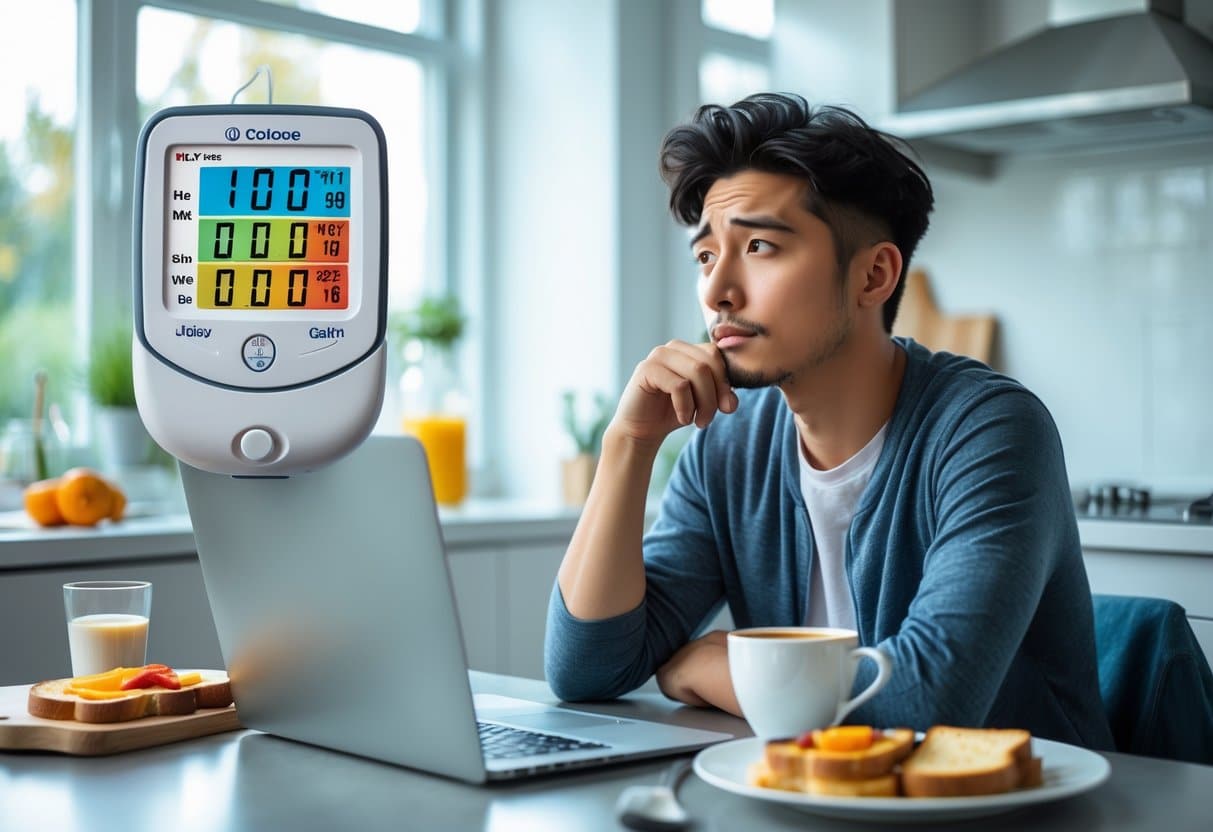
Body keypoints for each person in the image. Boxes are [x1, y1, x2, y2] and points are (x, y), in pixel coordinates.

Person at [543, 92, 1113, 749]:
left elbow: (925, 701)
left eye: (758, 245)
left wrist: (713, 663)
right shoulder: (730, 445)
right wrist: (629, 443)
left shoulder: (988, 431)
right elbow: (585, 669)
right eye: (705, 256)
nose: (716, 290)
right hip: (820, 803)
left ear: (872, 275)